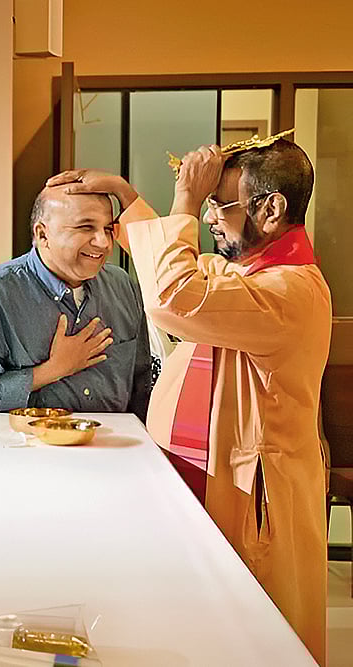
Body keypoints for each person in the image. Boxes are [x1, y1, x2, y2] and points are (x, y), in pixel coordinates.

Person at [49, 139, 329, 664]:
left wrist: (185, 198)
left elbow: (172, 295)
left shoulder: (289, 290)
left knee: (250, 635)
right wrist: (125, 194)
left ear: (271, 210)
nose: (208, 219)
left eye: (219, 205)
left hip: (254, 494)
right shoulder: (249, 273)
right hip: (212, 471)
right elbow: (174, 265)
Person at [0, 186, 151, 422]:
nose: (104, 242)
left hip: (116, 440)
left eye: (108, 229)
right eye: (86, 227)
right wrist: (50, 371)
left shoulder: (122, 286)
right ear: (42, 234)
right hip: (22, 442)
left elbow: (141, 382)